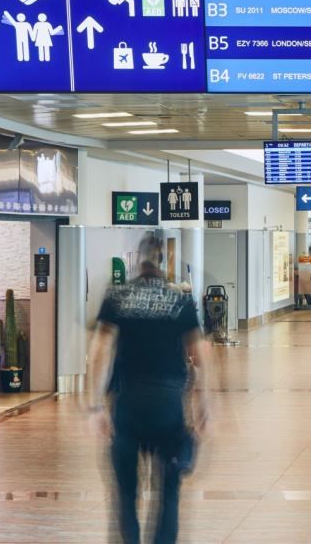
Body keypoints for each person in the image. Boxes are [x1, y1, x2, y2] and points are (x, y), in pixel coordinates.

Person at [86, 231, 209, 544]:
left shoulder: (117, 297)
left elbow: (100, 352)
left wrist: (95, 406)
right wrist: (202, 404)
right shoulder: (180, 299)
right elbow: (200, 355)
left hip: (127, 404)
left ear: (138, 260)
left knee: (125, 493)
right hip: (168, 404)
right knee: (168, 491)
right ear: (163, 260)